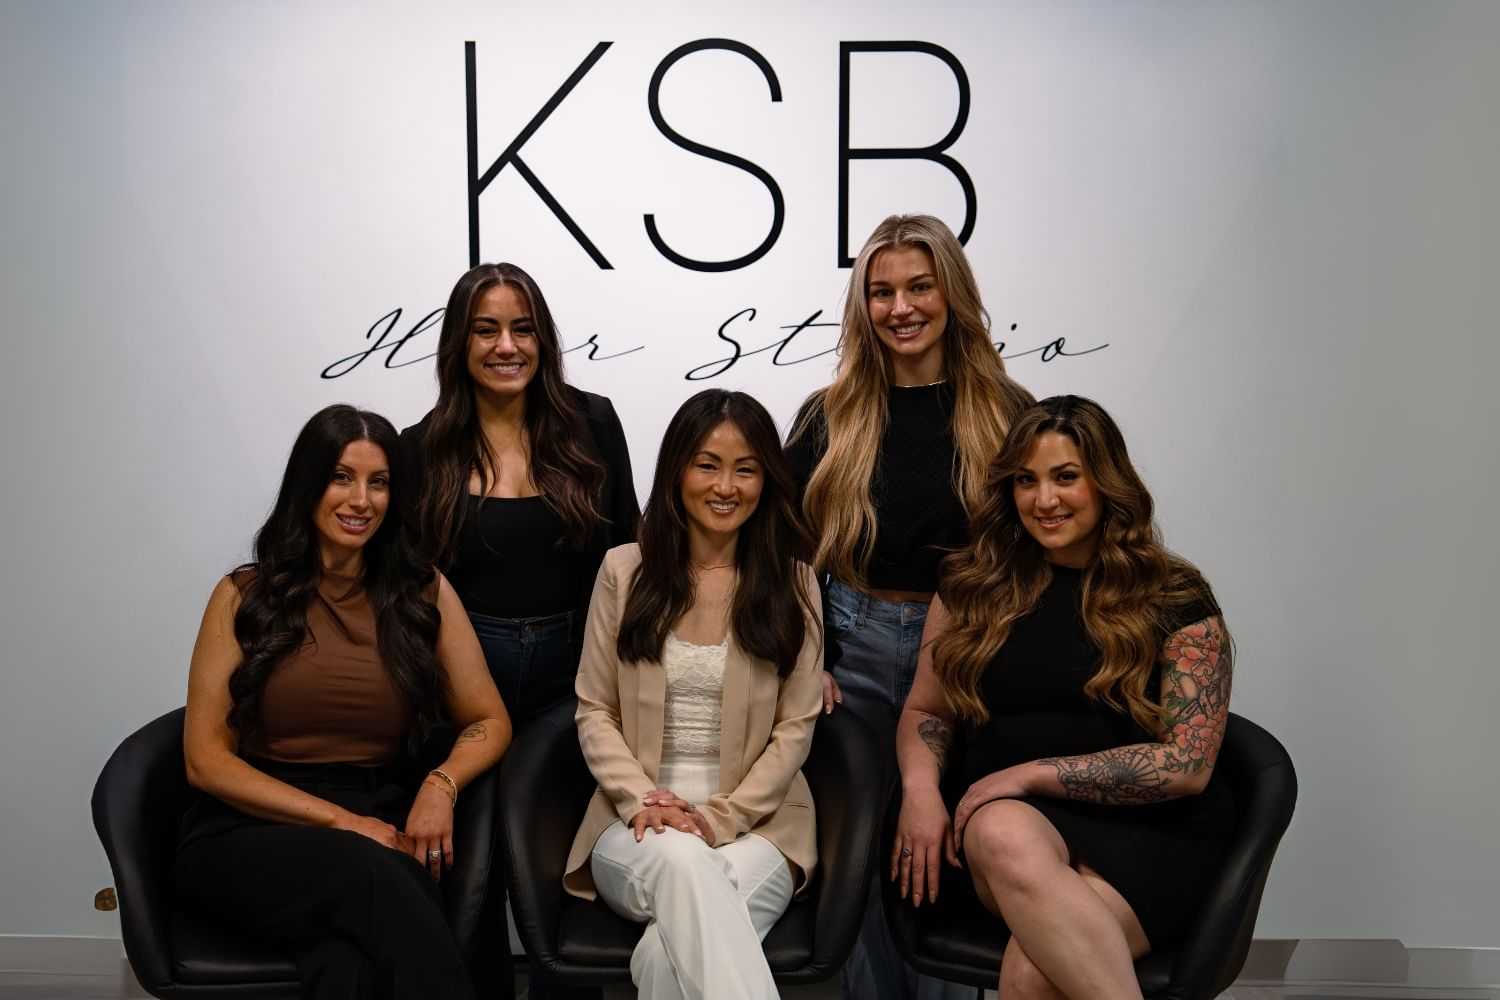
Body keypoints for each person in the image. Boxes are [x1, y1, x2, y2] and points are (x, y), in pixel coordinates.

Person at [894, 395, 1236, 1000]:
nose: (1044, 501)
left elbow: (1188, 765)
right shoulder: (972, 585)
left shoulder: (1173, 595)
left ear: (1107, 483)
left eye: (1066, 477)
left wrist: (1028, 774)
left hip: (1148, 838)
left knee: (1033, 974)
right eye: (1026, 481)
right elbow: (928, 711)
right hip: (1005, 836)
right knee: (1002, 830)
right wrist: (921, 792)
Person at [175, 404, 511, 999]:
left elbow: (490, 719)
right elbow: (205, 760)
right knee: (377, 876)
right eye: (341, 477)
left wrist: (441, 785)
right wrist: (345, 825)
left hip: (375, 812)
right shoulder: (242, 595)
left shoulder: (422, 591)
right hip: (249, 830)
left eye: (378, 483)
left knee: (345, 966)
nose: (361, 500)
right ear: (308, 485)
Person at [785, 212, 1033, 999]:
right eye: (882, 292)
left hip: (969, 653)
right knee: (860, 844)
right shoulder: (831, 414)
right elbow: (780, 549)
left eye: (919, 287)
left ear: (952, 293)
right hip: (853, 644)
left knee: (949, 842)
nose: (901, 308)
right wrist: (807, 654)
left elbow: (1043, 548)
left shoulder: (1007, 409)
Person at [564, 389, 823, 1000]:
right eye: (707, 464)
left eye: (746, 468)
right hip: (636, 824)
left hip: (763, 829)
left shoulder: (795, 582)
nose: (725, 486)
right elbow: (594, 708)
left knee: (665, 952)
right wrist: (638, 801)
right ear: (677, 470)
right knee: (682, 863)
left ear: (768, 480)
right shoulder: (624, 571)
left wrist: (717, 817)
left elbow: (796, 730)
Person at [402, 261, 639, 724]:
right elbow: (409, 586)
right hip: (458, 679)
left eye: (523, 330)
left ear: (542, 341)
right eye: (486, 330)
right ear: (458, 343)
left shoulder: (594, 424)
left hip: (579, 673)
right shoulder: (419, 448)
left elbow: (627, 547)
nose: (507, 346)